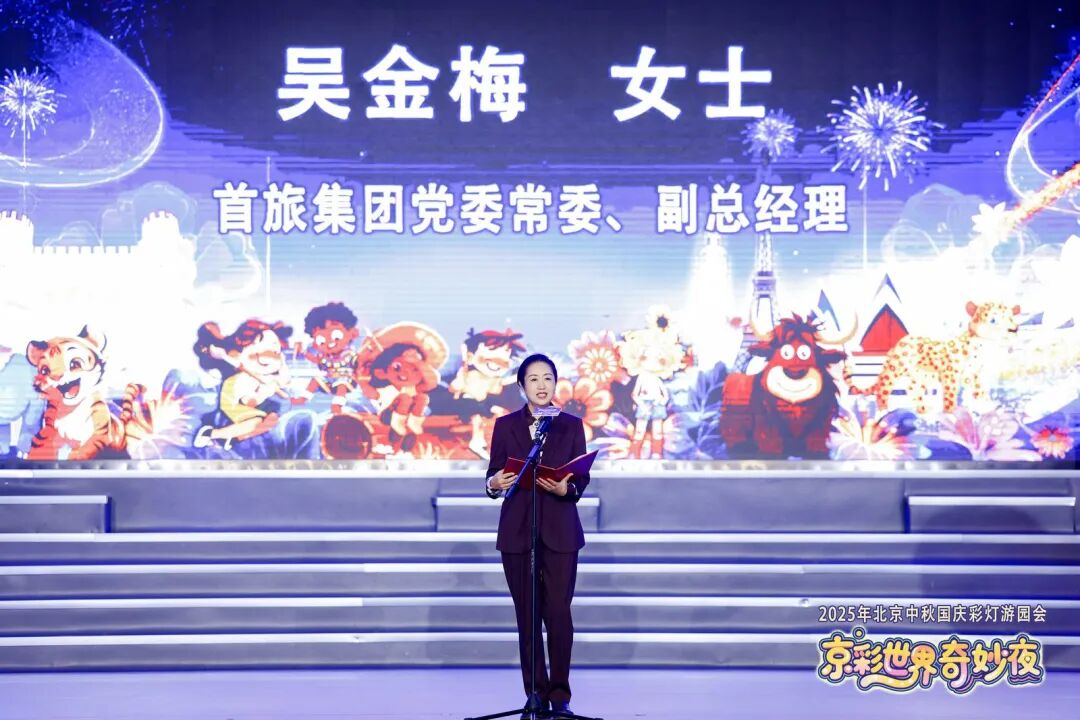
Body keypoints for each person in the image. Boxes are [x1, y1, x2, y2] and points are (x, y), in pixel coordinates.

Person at [485, 353, 590, 717]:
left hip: (561, 531)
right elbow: (493, 475)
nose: (542, 385)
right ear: (521, 386)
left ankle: (560, 697)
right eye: (533, 379)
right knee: (527, 616)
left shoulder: (571, 426)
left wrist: (567, 489)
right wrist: (493, 483)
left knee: (558, 614)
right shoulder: (505, 426)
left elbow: (581, 478)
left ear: (556, 383)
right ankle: (534, 693)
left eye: (548, 378)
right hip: (518, 531)